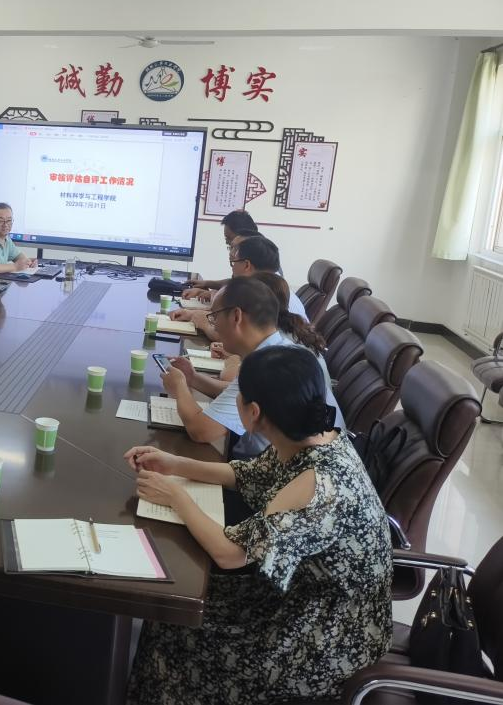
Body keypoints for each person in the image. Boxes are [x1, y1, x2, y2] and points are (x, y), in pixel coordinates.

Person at [124, 345, 392, 704]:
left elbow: (229, 554)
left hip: (327, 637)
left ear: (253, 413)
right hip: (302, 596)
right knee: (173, 607)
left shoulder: (318, 486)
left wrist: (176, 497)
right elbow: (248, 473)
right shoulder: (314, 438)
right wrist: (175, 464)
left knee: (175, 627)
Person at [161, 276, 341, 460]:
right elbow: (239, 394)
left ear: (236, 316)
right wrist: (193, 378)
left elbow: (201, 431)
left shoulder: (271, 367)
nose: (213, 325)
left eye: (214, 317)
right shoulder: (275, 350)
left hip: (273, 469)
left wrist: (179, 388)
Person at [174, 235, 306, 337]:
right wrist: (193, 314)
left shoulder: (265, 292)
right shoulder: (270, 285)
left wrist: (204, 323)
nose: (232, 267)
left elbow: (236, 335)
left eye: (234, 262)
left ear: (247, 265)